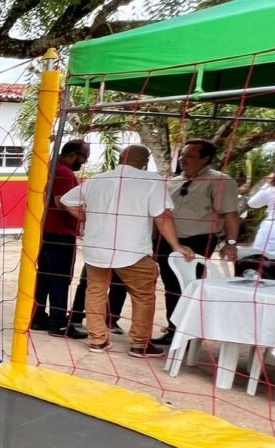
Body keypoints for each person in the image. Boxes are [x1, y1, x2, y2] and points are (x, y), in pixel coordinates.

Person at [60, 145, 193, 357]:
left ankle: (97, 341)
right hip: (133, 250)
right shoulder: (152, 180)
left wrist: (87, 217)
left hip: (97, 247)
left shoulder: (98, 179)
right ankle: (140, 344)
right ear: (145, 162)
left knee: (95, 292)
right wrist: (176, 245)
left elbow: (67, 200)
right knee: (143, 296)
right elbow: (162, 216)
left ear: (121, 159)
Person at [153, 139, 241, 347]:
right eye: (183, 155)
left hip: (199, 240)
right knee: (171, 286)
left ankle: (188, 334)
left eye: (190, 156)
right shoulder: (173, 181)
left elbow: (230, 215)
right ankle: (174, 329)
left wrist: (230, 242)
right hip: (169, 241)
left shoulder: (220, 181)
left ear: (205, 159)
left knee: (190, 286)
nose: (183, 160)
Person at [30, 141, 90, 338]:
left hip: (48, 231)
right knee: (60, 279)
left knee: (45, 277)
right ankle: (58, 323)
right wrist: (85, 217)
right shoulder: (64, 172)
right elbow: (61, 201)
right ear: (73, 154)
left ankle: (38, 317)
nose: (84, 162)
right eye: (84, 158)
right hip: (61, 233)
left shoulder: (50, 167)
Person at [237, 167, 275, 277]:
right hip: (272, 228)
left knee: (261, 260)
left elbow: (253, 203)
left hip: (272, 229)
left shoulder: (271, 190)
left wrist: (266, 184)